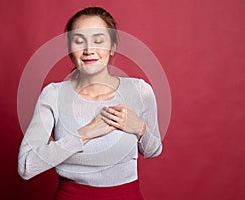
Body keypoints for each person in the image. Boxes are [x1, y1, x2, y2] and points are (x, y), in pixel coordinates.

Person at [18, 7, 162, 200]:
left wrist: (140, 128)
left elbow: (153, 150)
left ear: (112, 46)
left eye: (98, 40)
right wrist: (85, 134)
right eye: (79, 41)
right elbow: (27, 166)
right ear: (70, 49)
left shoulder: (140, 91)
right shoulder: (53, 95)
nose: (88, 50)